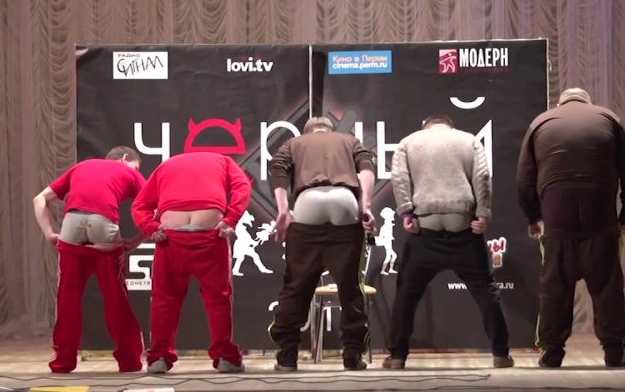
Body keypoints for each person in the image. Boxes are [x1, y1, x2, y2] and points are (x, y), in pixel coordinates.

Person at [517, 88, 625, 368]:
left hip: (557, 217)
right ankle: (615, 351)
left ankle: (551, 353)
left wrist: (533, 217)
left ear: (561, 103)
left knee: (555, 288)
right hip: (601, 216)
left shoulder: (541, 122)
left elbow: (525, 177)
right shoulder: (609, 118)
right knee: (608, 287)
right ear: (588, 102)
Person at [385, 115, 514, 370]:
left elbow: (398, 179)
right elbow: (482, 177)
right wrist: (483, 213)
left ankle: (397, 357)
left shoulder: (408, 143)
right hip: (464, 229)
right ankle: (501, 354)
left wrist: (406, 212)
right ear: (450, 125)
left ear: (426, 125)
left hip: (425, 231)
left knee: (406, 295)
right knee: (486, 292)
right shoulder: (469, 140)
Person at [267, 116, 376, 372]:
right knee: (350, 287)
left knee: (296, 286)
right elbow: (367, 165)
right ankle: (352, 356)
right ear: (330, 130)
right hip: (345, 202)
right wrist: (366, 206)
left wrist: (283, 210)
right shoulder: (348, 140)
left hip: (308, 203)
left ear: (307, 131)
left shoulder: (294, 143)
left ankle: (287, 358)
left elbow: (277, 169)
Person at [131, 151, 252, 374]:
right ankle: (225, 357)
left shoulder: (167, 165)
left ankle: (158, 357)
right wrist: (231, 218)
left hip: (171, 238)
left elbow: (139, 205)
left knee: (164, 299)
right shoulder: (224, 161)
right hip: (209, 236)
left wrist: (150, 227)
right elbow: (243, 188)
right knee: (218, 299)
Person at [32, 146, 150, 374]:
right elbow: (153, 209)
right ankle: (130, 361)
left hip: (71, 225)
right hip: (103, 224)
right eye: (136, 168)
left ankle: (63, 361)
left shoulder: (81, 167)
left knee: (67, 298)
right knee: (116, 298)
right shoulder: (130, 173)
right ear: (125, 159)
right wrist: (136, 241)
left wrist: (49, 233)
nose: (136, 172)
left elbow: (39, 199)